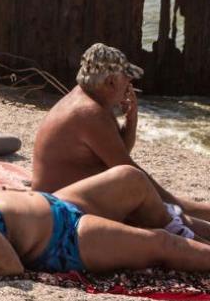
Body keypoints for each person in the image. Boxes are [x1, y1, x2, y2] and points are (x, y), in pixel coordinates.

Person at [0, 165, 210, 276]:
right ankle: (186, 243)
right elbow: (11, 268)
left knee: (130, 178)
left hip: (59, 203)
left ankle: (185, 231)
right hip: (65, 240)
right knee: (159, 243)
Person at [32, 42, 210, 223]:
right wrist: (174, 203)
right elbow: (127, 170)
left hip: (65, 197)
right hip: (58, 208)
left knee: (173, 211)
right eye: (127, 78)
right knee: (174, 215)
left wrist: (131, 120)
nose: (129, 84)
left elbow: (120, 154)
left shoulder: (89, 99)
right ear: (110, 82)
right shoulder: (90, 113)